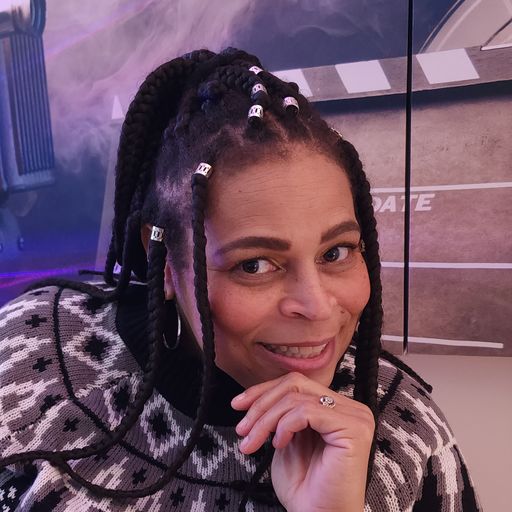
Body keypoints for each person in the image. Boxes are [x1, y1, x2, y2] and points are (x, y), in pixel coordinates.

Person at [0, 48, 480, 511]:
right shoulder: (28, 367)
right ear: (162, 259)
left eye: (335, 253)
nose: (316, 306)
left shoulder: (405, 439)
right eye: (254, 265)